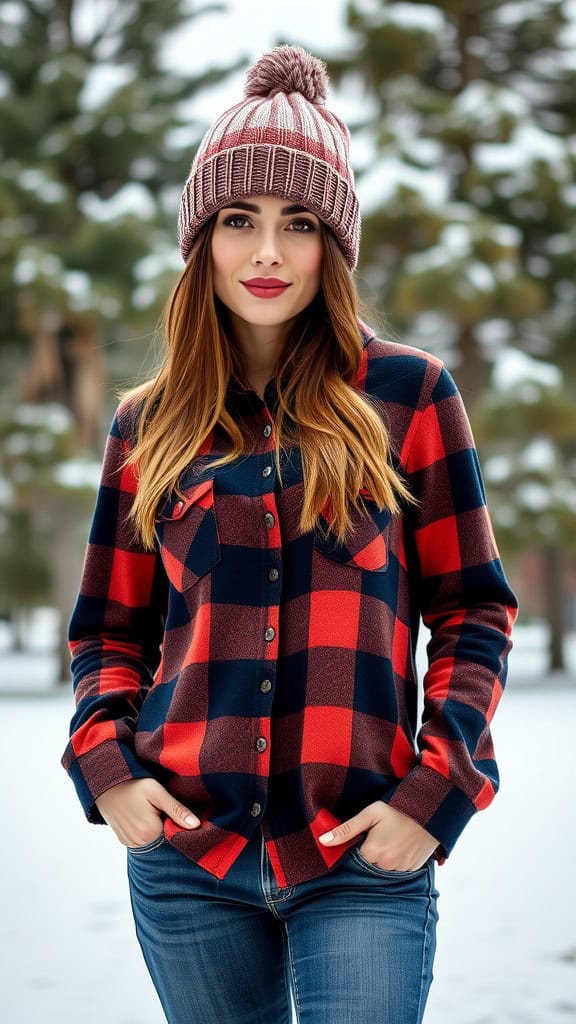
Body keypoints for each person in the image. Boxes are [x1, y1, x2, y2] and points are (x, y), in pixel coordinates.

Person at [61, 44, 518, 1024]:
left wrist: (434, 791)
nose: (266, 253)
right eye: (239, 221)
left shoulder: (410, 396)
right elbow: (106, 629)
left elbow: (475, 611)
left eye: (297, 224)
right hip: (189, 860)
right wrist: (110, 775)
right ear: (203, 239)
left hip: (361, 853)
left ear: (332, 244)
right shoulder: (148, 424)